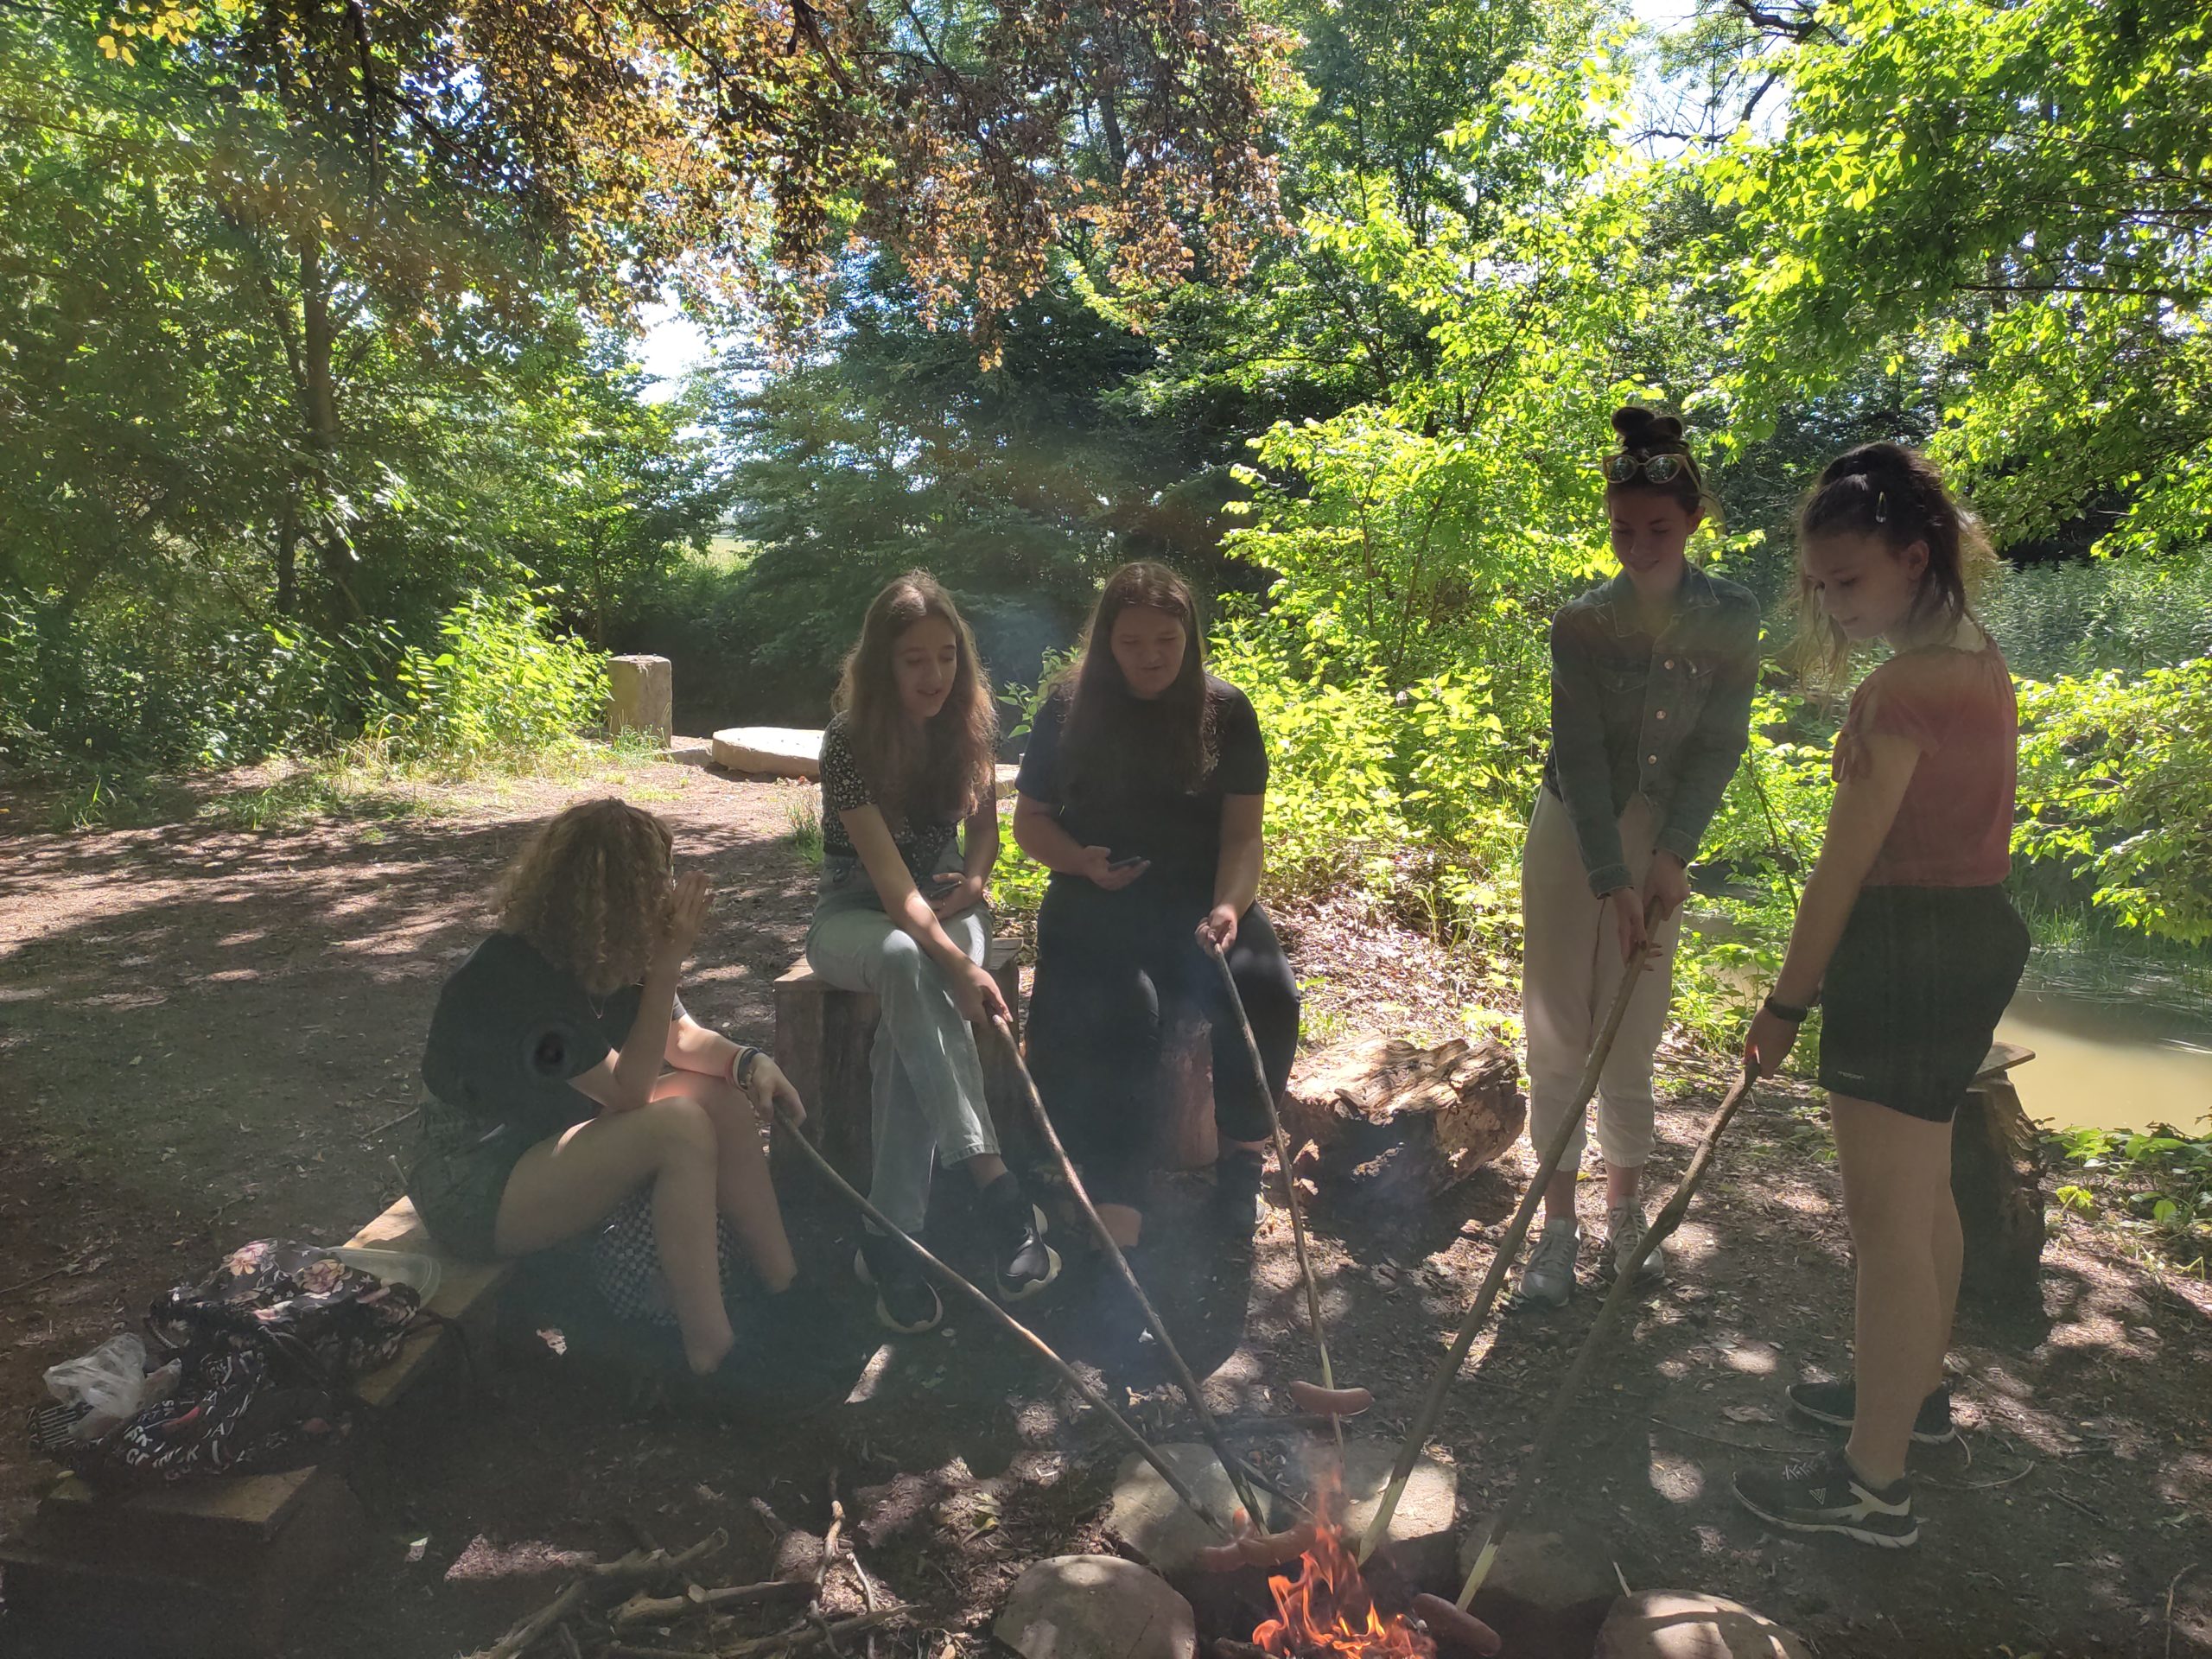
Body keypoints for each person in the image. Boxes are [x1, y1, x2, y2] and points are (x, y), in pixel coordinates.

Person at [1732, 444, 2029, 1549]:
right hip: (1971, 937)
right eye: (1818, 585)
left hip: (1905, 953)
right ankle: (1916, 1403)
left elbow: (1840, 869)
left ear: (1912, 558)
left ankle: (1872, 1482)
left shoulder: (1899, 692)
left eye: (1847, 580)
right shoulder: (1975, 656)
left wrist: (1784, 1004)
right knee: (1925, 1195)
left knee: (1886, 1222)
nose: (1832, 604)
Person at [409, 797, 819, 1395]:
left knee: (720, 1099)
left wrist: (747, 1062)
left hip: (541, 1145)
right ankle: (712, 1356)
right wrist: (669, 965)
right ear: (615, 898)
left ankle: (788, 1292)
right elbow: (629, 1092)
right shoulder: (510, 981)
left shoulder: (612, 956)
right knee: (678, 1127)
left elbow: (680, 1038)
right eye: (657, 881)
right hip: (473, 1181)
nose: (668, 896)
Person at [1516, 408, 1761, 1309]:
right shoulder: (1581, 623)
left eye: (1657, 528)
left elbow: (1720, 743)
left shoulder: (1731, 614)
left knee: (1632, 1029)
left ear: (1693, 520)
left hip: (1659, 835)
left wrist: (1672, 856)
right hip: (1569, 832)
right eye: (1621, 529)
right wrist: (1610, 880)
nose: (1638, 546)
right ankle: (1555, 1227)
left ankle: (1624, 1213)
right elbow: (1578, 760)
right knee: (1557, 1032)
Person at [1013, 561, 1300, 1262]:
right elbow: (1030, 823)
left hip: (1199, 900)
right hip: (1093, 893)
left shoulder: (1225, 711)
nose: (1151, 657)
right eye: (1133, 642)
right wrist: (1080, 861)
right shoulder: (1067, 708)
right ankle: (1117, 1197)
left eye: (1166, 641)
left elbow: (1243, 837)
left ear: (1189, 638)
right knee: (1125, 1010)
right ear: (1107, 643)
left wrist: (1230, 905)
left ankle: (1242, 1162)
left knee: (1268, 988)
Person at [806, 573, 1060, 1335]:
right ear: (882, 665)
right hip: (855, 914)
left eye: (947, 656)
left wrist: (974, 883)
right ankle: (996, 1188)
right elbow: (891, 891)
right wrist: (961, 964)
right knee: (905, 959)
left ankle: (888, 1238)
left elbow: (984, 833)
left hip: (952, 904)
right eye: (914, 660)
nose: (935, 675)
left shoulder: (969, 723)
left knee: (905, 1022)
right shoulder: (848, 741)